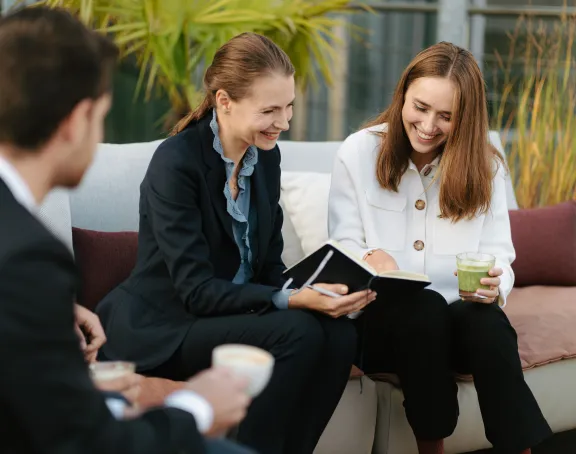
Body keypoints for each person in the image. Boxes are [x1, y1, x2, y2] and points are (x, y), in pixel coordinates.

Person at [96, 32, 374, 454]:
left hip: (234, 315)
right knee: (298, 331)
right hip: (169, 325)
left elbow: (269, 267)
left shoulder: (266, 158)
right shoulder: (177, 163)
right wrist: (295, 302)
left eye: (289, 106)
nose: (284, 122)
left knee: (339, 335)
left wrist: (312, 289)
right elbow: (195, 290)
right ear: (224, 101)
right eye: (270, 110)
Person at [0, 7, 255, 454]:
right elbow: (85, 442)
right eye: (102, 115)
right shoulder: (27, 258)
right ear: (77, 121)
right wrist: (197, 406)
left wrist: (47, 313)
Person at [327, 42, 551, 454]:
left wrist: (493, 285)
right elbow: (343, 249)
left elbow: (500, 253)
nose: (428, 125)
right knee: (423, 308)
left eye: (446, 116)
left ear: (464, 119)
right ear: (402, 97)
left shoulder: (486, 165)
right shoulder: (359, 151)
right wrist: (371, 260)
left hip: (457, 330)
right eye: (420, 107)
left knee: (486, 323)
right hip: (381, 329)